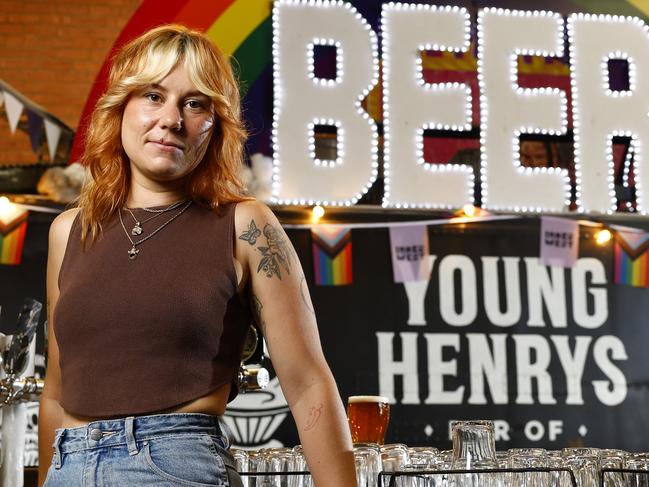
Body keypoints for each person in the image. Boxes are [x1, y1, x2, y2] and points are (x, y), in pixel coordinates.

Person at [38, 24, 357, 486]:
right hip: (69, 466)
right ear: (120, 107)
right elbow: (55, 395)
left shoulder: (246, 225)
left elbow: (308, 384)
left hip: (175, 465)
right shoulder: (69, 231)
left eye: (194, 103)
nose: (171, 119)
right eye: (152, 95)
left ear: (216, 124)